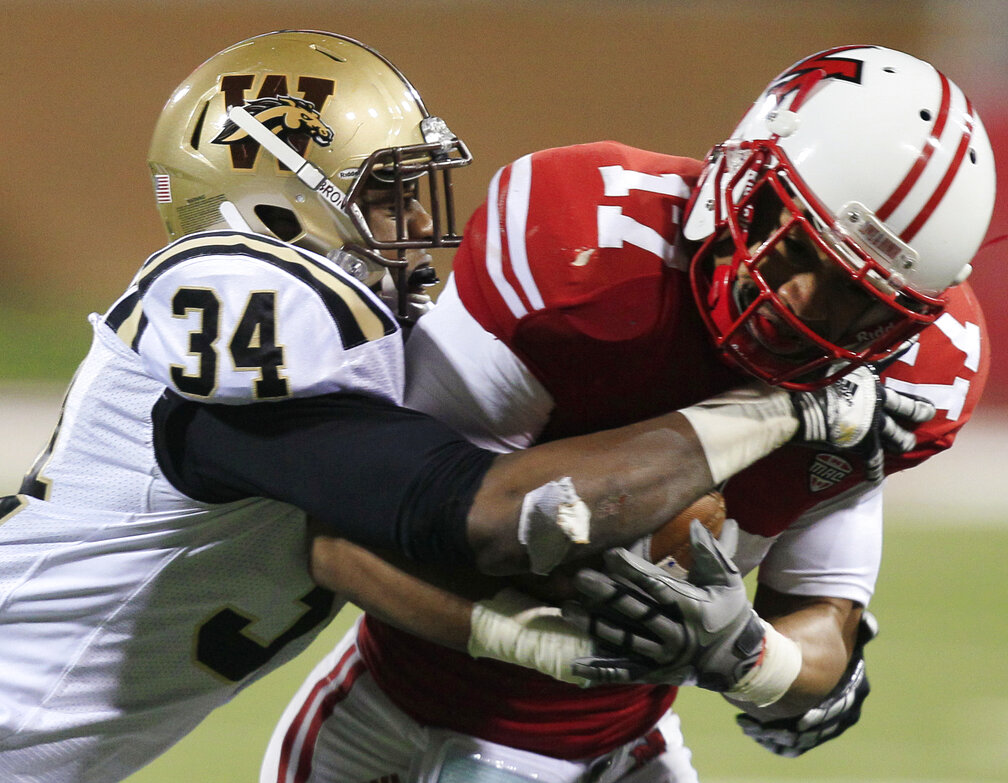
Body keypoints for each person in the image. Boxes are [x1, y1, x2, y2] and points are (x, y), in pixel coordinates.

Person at [0, 31, 899, 783]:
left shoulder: (352, 339)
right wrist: (783, 408)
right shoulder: (236, 304)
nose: (413, 222)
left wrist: (790, 655)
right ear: (271, 215)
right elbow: (461, 505)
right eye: (384, 196)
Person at [265, 45, 995, 782]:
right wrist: (542, 638)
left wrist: (751, 656)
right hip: (393, 730)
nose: (802, 303)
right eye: (797, 243)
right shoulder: (583, 248)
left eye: (857, 295)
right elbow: (353, 534)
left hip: (627, 750)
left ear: (904, 319)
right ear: (746, 176)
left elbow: (823, 633)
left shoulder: (914, 374)